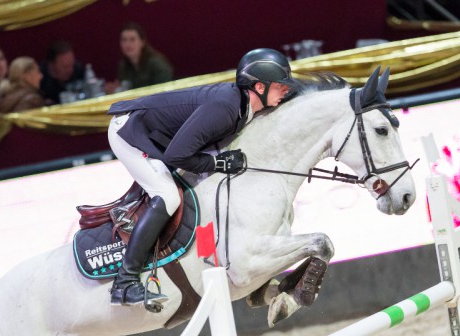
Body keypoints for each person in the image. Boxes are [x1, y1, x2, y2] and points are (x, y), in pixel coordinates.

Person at [106, 47, 295, 306]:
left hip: (159, 135)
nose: (286, 90)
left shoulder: (243, 106)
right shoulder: (226, 109)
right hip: (130, 132)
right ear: (259, 87)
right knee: (168, 196)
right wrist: (218, 163)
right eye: (281, 86)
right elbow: (176, 156)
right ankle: (124, 283)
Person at [105, 22, 173, 94]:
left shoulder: (158, 64)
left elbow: (163, 93)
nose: (128, 44)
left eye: (132, 39)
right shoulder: (123, 65)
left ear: (142, 42)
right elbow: (126, 90)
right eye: (124, 40)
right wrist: (116, 90)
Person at [39, 39, 85, 104]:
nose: (70, 70)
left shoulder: (78, 69)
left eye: (71, 64)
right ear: (52, 65)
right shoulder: (40, 78)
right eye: (65, 67)